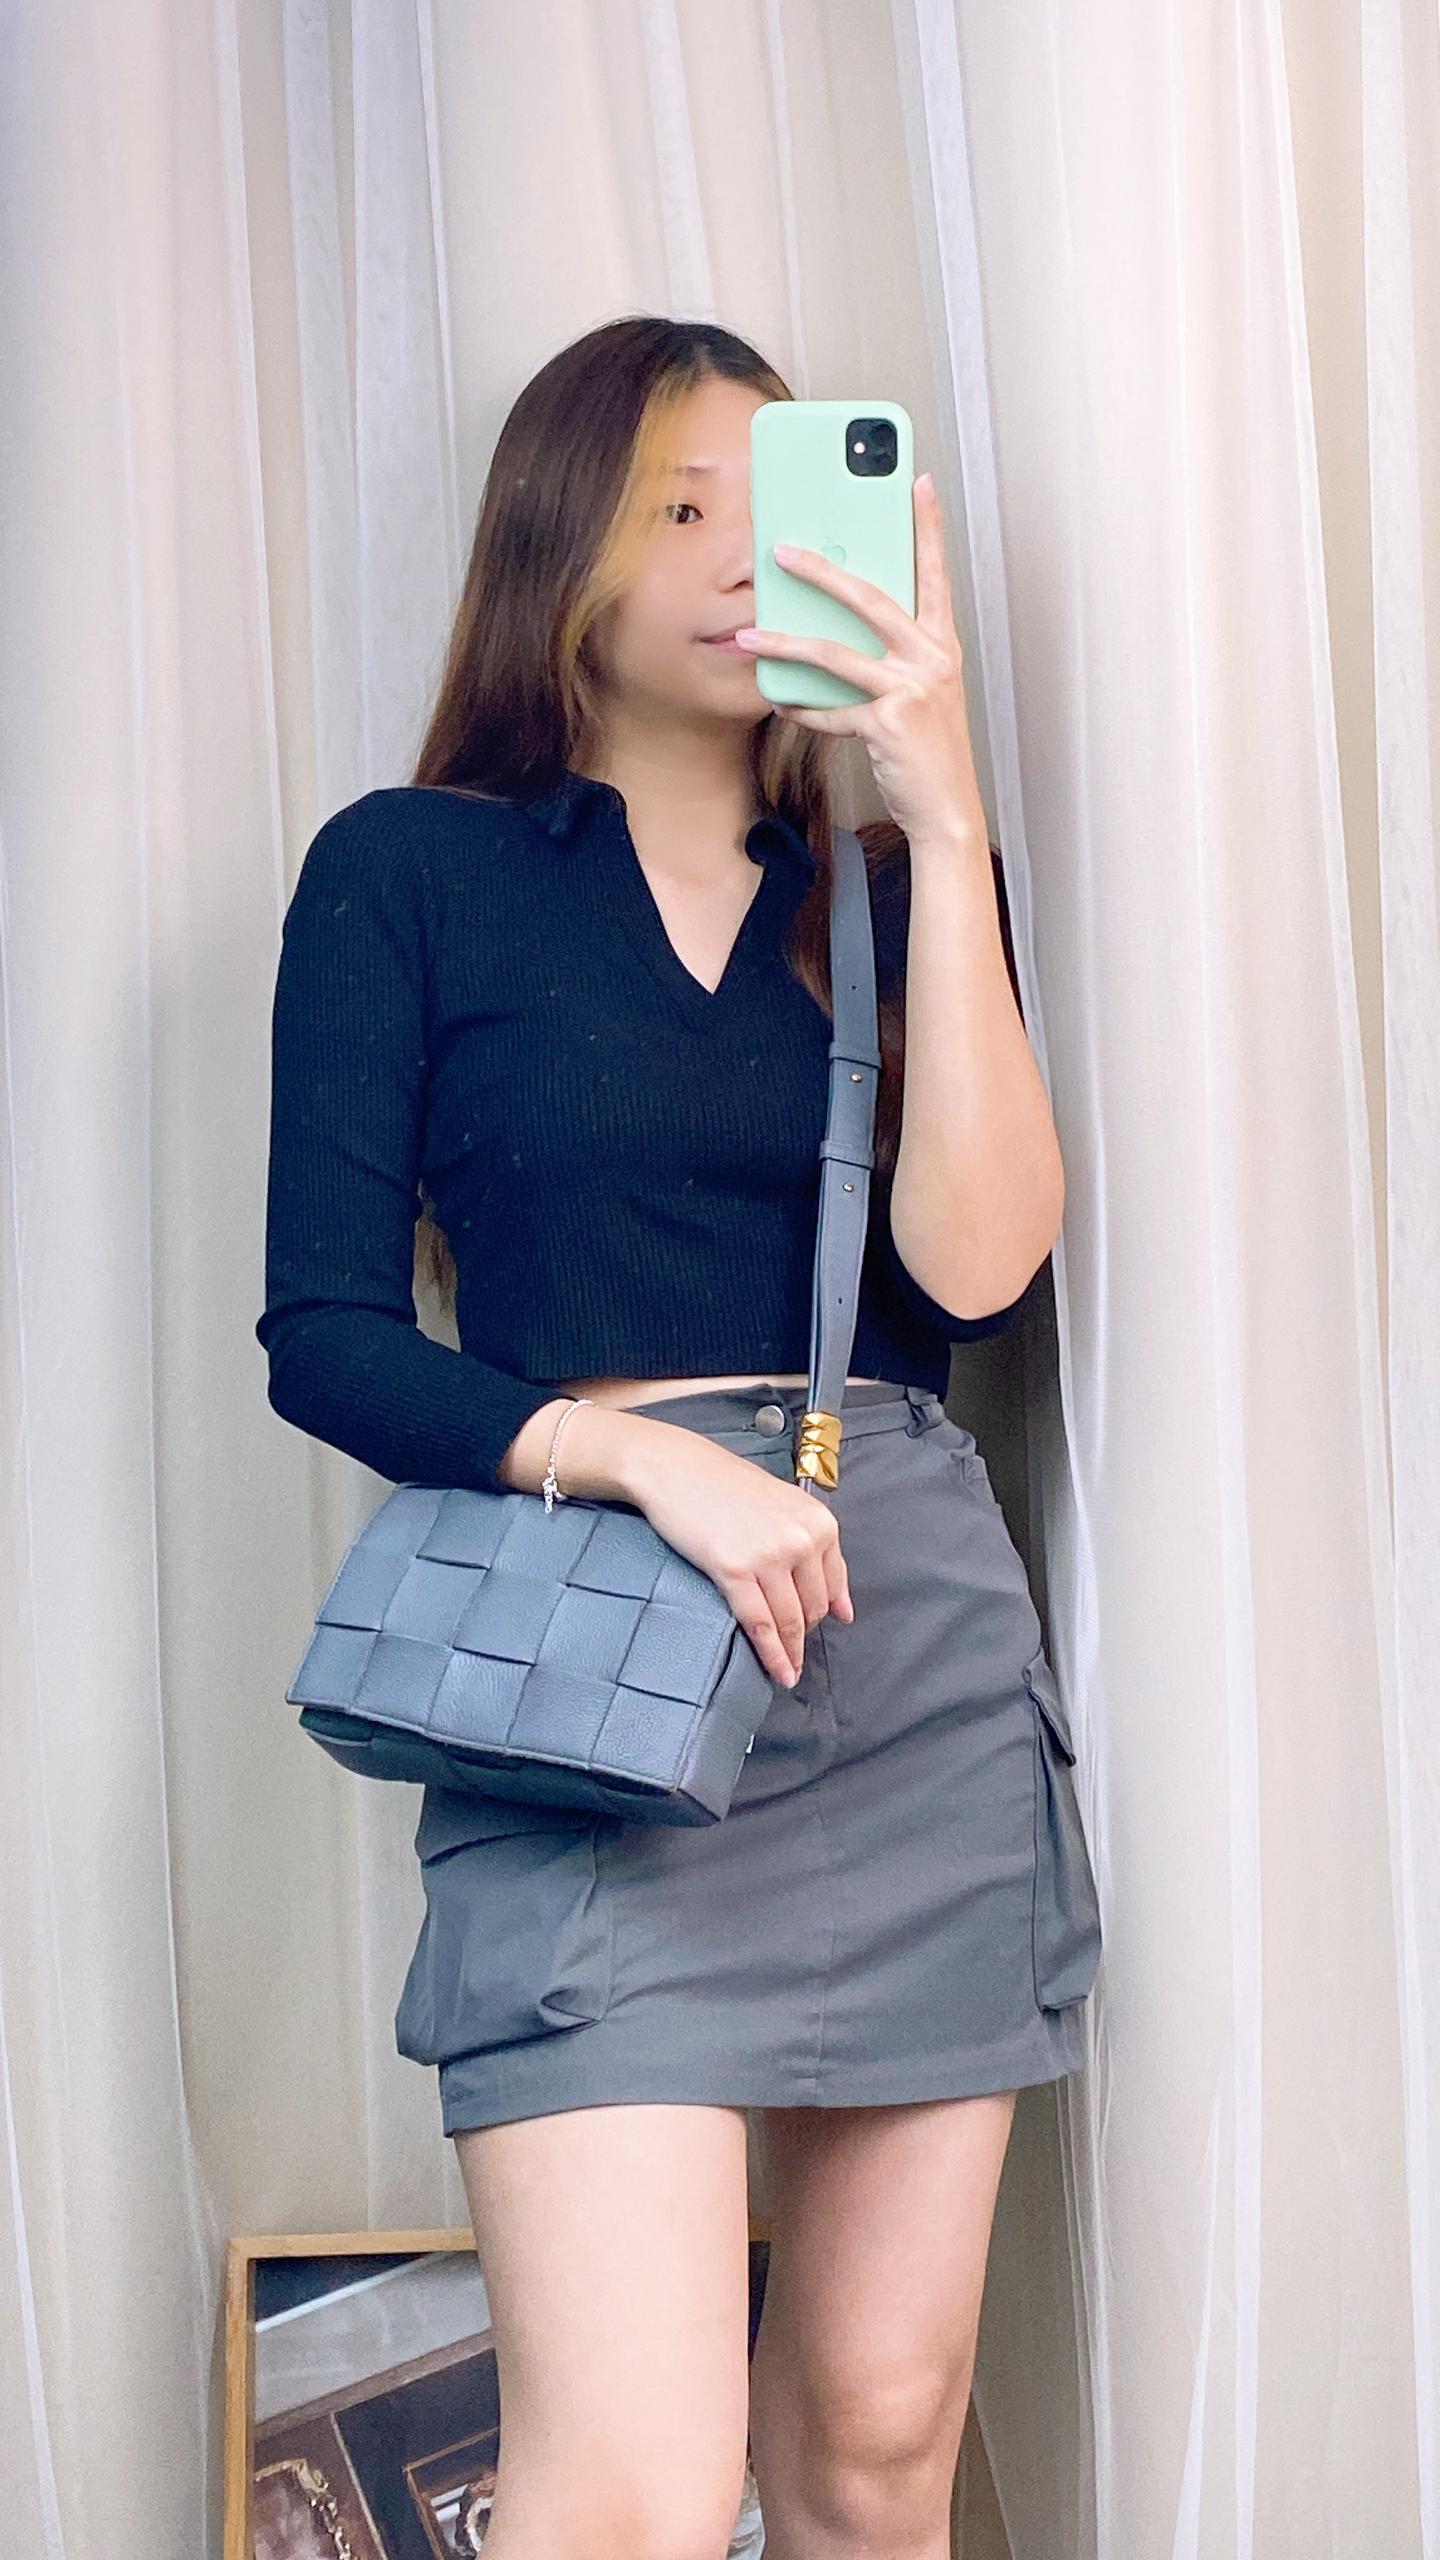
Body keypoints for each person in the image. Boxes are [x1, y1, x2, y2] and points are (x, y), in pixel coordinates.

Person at [256, 315, 1103, 2560]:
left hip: (904, 1666)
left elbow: (982, 1276)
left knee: (880, 2451)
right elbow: (325, 1334)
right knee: (627, 2487)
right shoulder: (408, 872)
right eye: (679, 505)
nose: (744, 556)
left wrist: (945, 819)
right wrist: (644, 1458)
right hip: (594, 1687)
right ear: (561, 547)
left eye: (782, 503)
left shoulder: (886, 896)